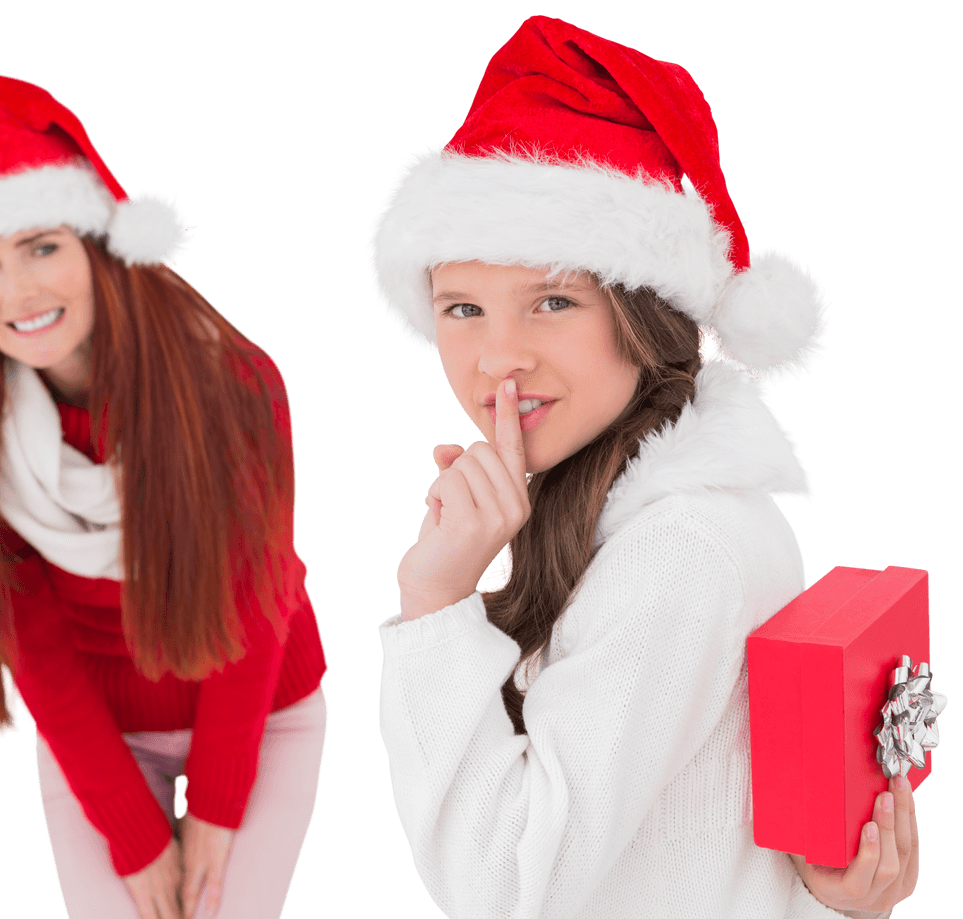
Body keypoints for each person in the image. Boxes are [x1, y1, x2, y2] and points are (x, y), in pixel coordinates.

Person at [367, 16, 918, 919]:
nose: (497, 356)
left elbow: (506, 889)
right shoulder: (649, 516)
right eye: (462, 307)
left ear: (645, 315)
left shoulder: (677, 549)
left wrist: (434, 602)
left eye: (551, 300)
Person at [0, 71, 328, 919]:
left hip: (260, 711)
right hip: (99, 734)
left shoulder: (237, 384)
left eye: (43, 247)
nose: (17, 292)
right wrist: (134, 837)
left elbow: (253, 601)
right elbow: (34, 645)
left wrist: (213, 806)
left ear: (97, 245)